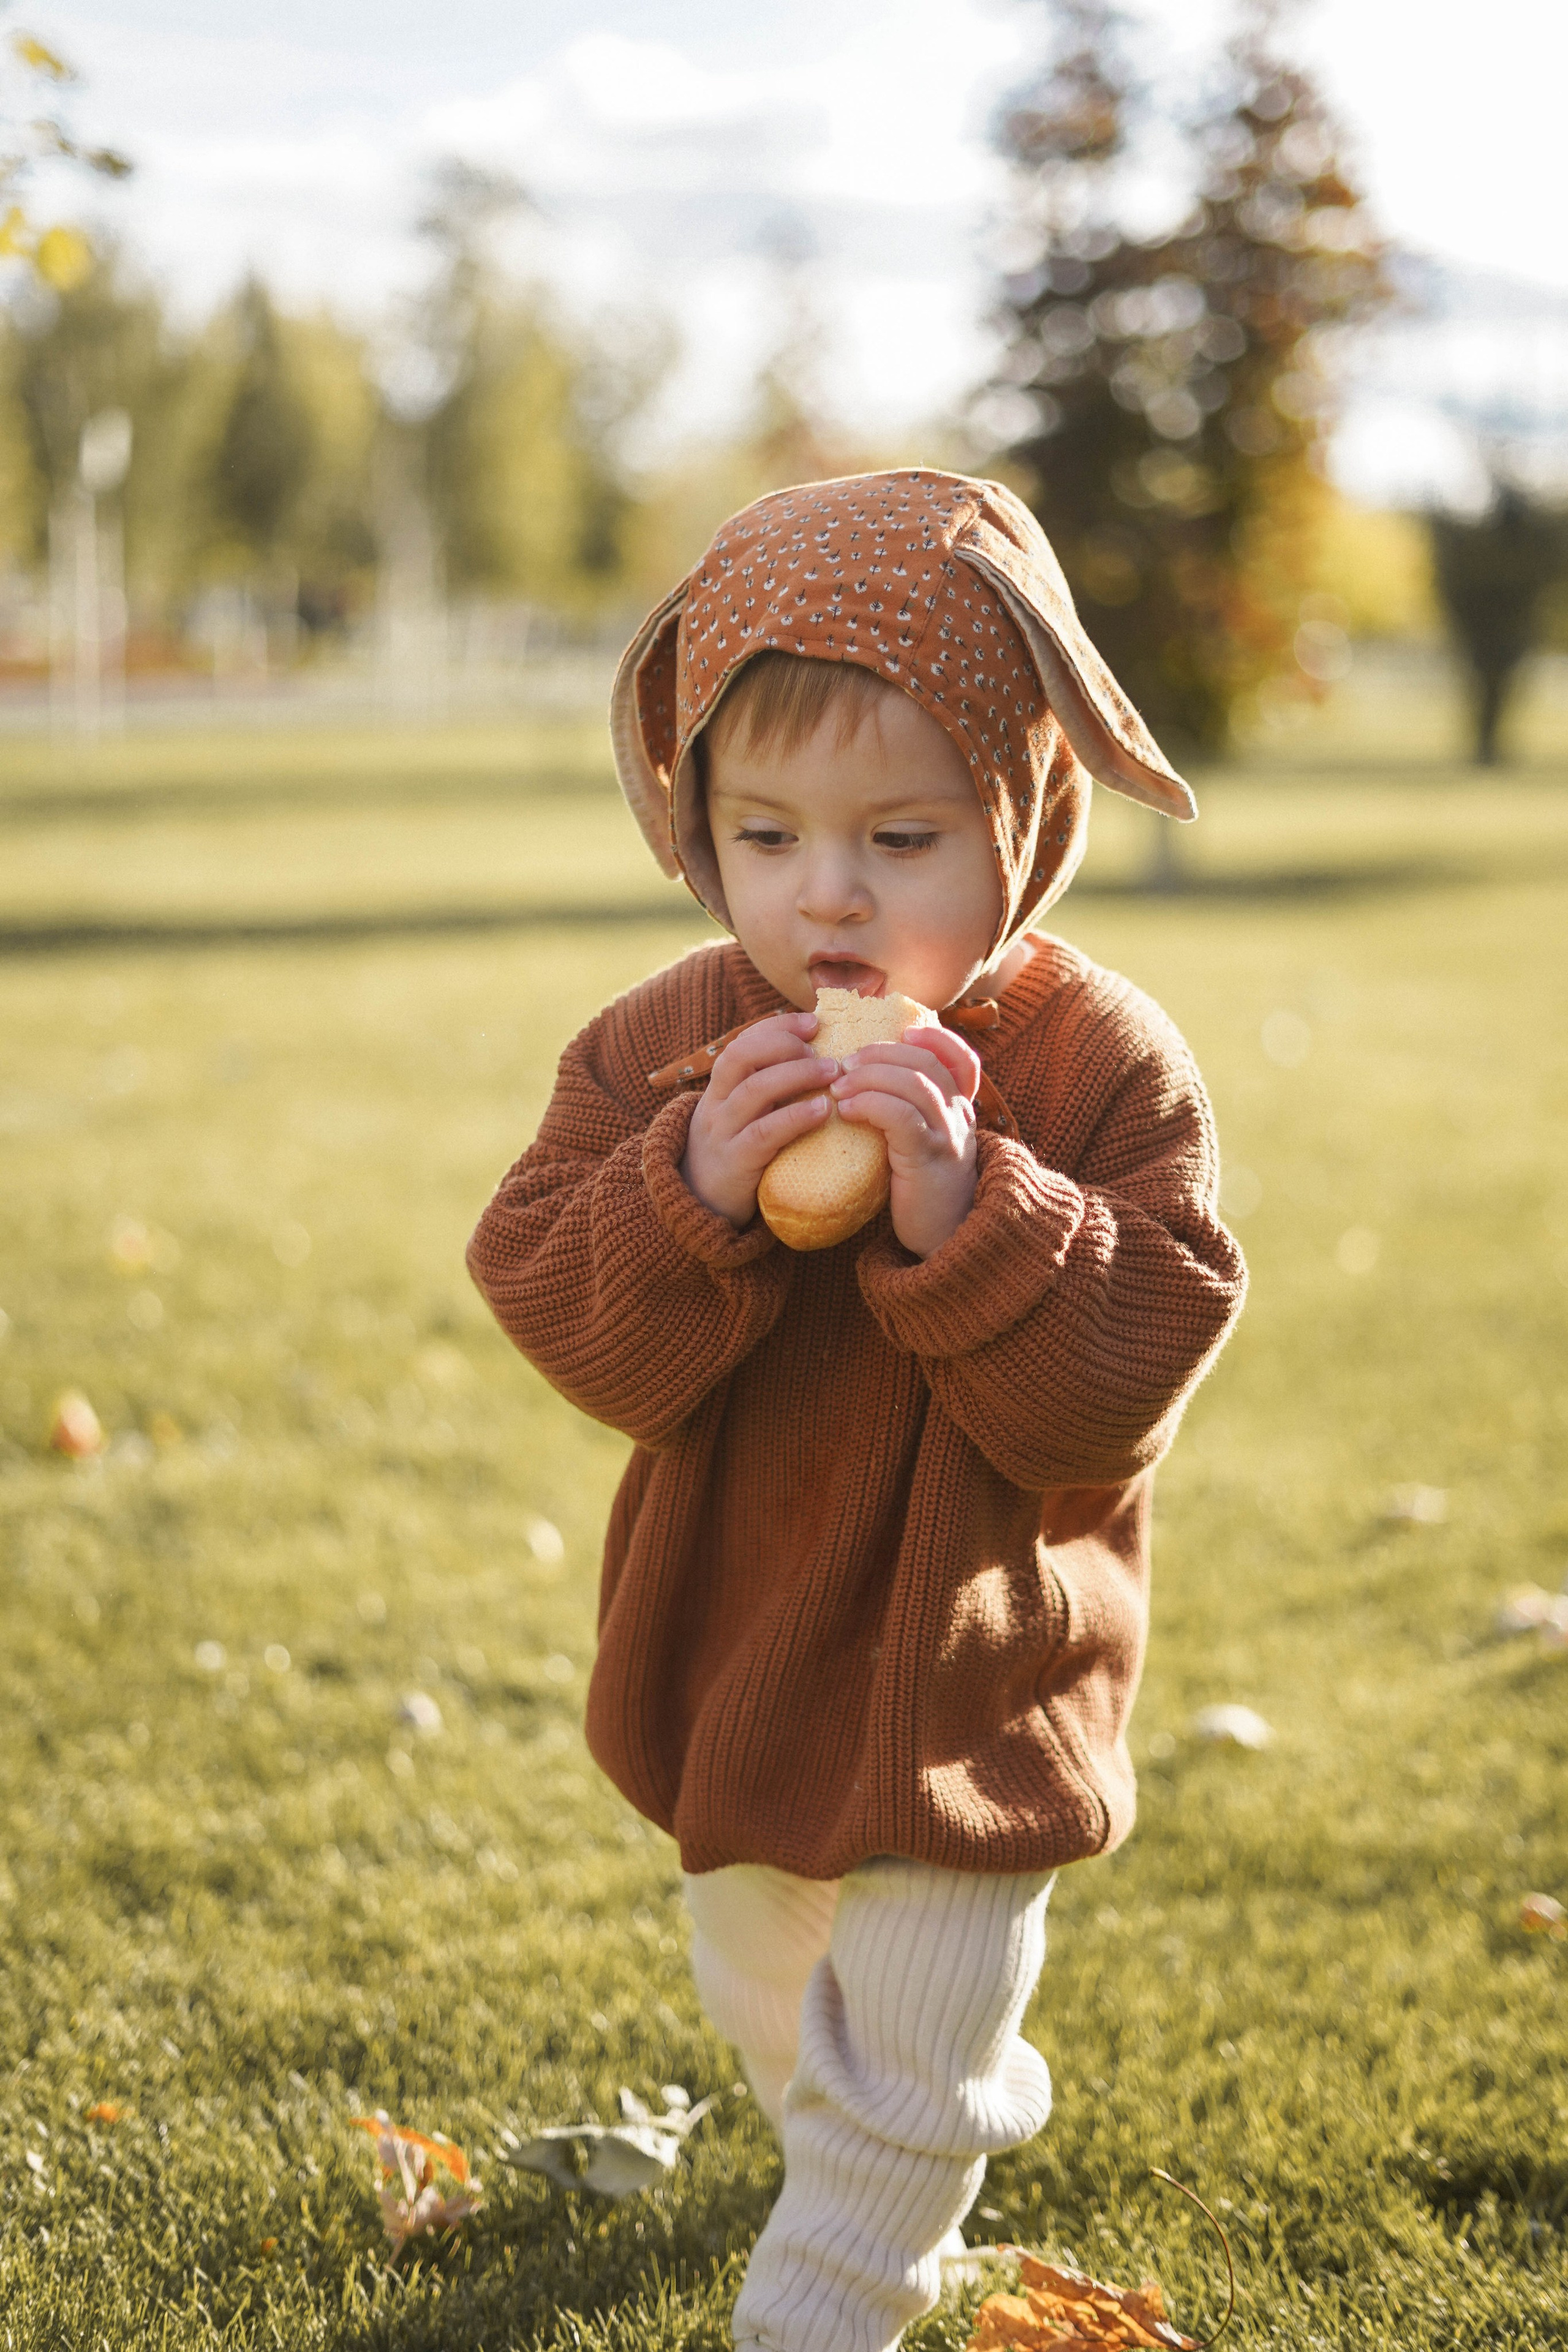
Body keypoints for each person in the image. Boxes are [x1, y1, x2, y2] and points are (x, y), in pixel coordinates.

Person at [467, 470, 1246, 2352]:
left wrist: (976, 1215)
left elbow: (1120, 1385)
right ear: (698, 830)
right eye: (766, 835)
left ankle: (827, 2298)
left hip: (980, 1669)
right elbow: (559, 1307)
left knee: (911, 2037)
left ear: (1021, 815)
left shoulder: (1099, 1065)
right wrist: (685, 1192)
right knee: (766, 1980)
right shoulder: (668, 1046)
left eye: (901, 836)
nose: (827, 892)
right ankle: (891, 2166)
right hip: (744, 1643)